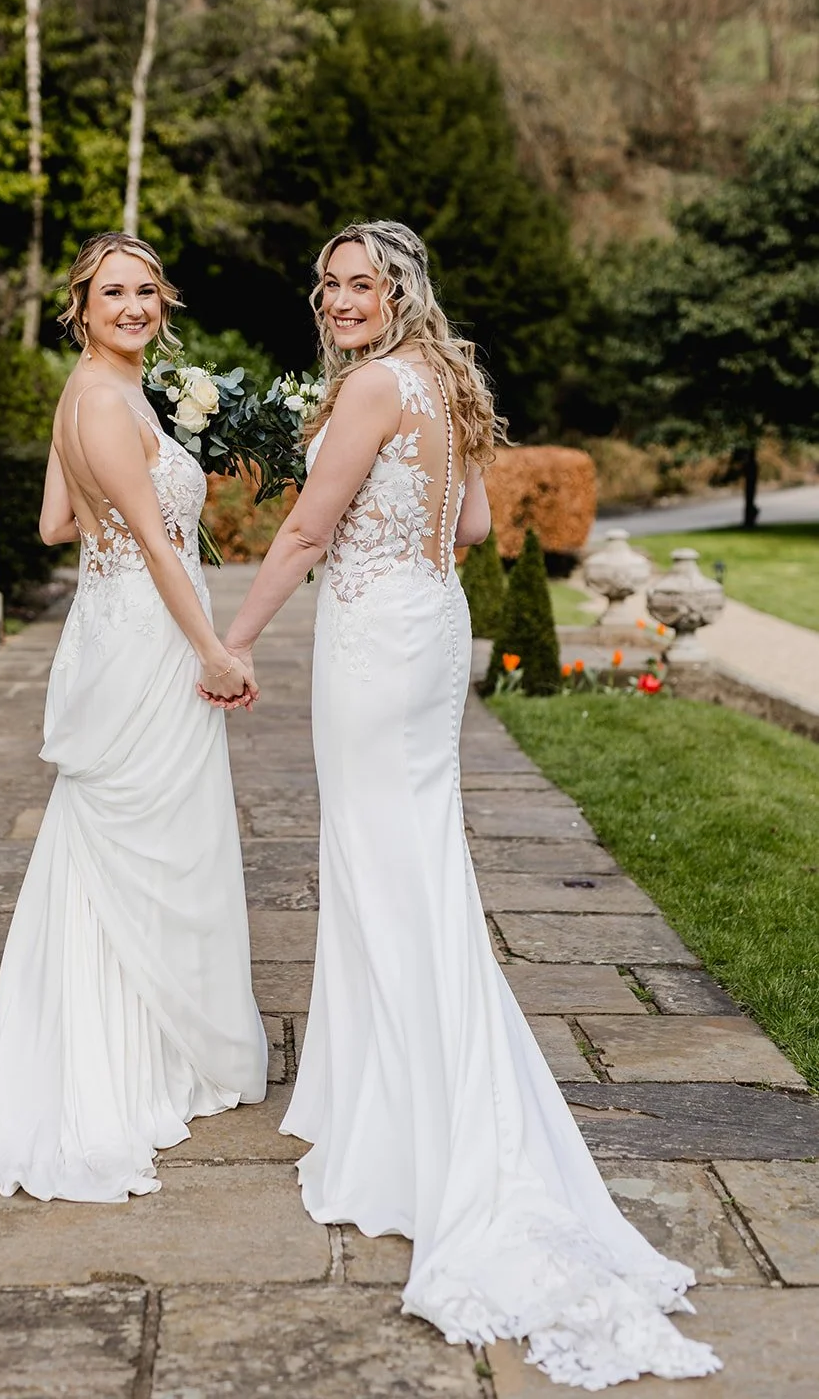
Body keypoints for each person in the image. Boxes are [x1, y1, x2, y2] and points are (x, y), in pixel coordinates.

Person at [212, 220, 720, 1388]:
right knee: (408, 861)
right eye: (329, 283)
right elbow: (480, 528)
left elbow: (300, 529)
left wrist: (231, 642)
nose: (338, 298)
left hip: (374, 645)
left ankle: (408, 1117)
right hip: (431, 633)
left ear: (399, 292)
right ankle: (374, 1089)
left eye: (361, 283)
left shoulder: (370, 389)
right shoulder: (439, 380)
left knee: (381, 864)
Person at [0, 231, 266, 1204]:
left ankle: (152, 1035)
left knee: (144, 838)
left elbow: (57, 523)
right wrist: (213, 653)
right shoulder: (100, 397)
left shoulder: (100, 392)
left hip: (120, 618)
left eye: (145, 291)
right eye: (113, 293)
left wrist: (113, 513)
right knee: (152, 841)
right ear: (81, 306)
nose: (133, 306)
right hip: (145, 640)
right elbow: (159, 547)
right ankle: (123, 1057)